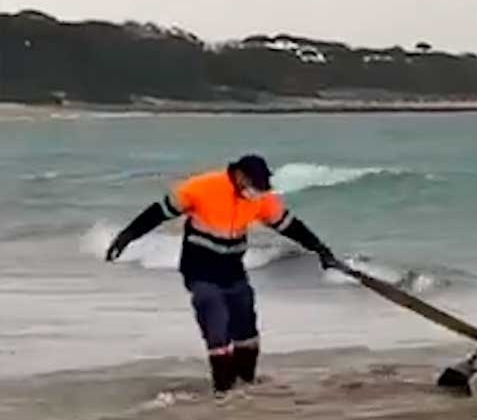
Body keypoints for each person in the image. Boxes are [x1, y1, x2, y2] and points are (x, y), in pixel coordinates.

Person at [105, 154, 338, 394]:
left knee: (247, 332)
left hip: (232, 269)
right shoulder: (201, 187)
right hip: (200, 268)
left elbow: (290, 226)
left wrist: (320, 249)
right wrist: (126, 237)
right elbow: (157, 213)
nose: (257, 193)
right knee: (215, 318)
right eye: (255, 186)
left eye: (261, 188)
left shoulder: (260, 198)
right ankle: (223, 393)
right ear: (239, 176)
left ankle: (246, 388)